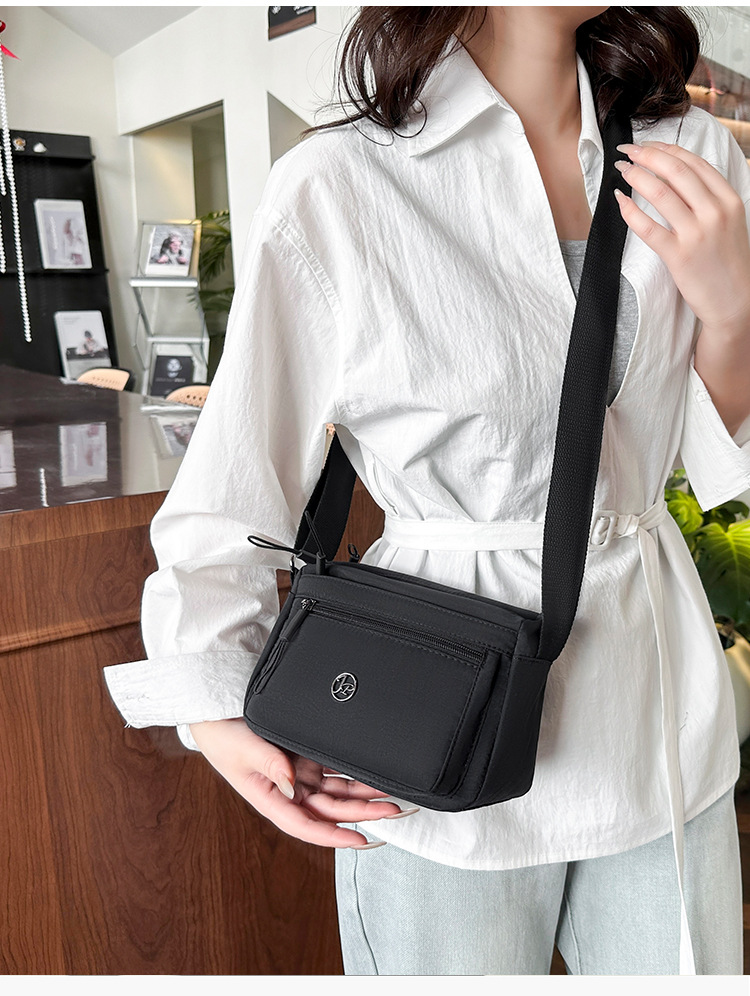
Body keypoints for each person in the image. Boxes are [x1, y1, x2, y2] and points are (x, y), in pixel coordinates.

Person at [103, 7, 750, 976]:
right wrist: (213, 704)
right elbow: (237, 475)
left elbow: (711, 448)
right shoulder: (341, 181)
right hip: (428, 722)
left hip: (656, 720)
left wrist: (735, 312)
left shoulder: (691, 149)